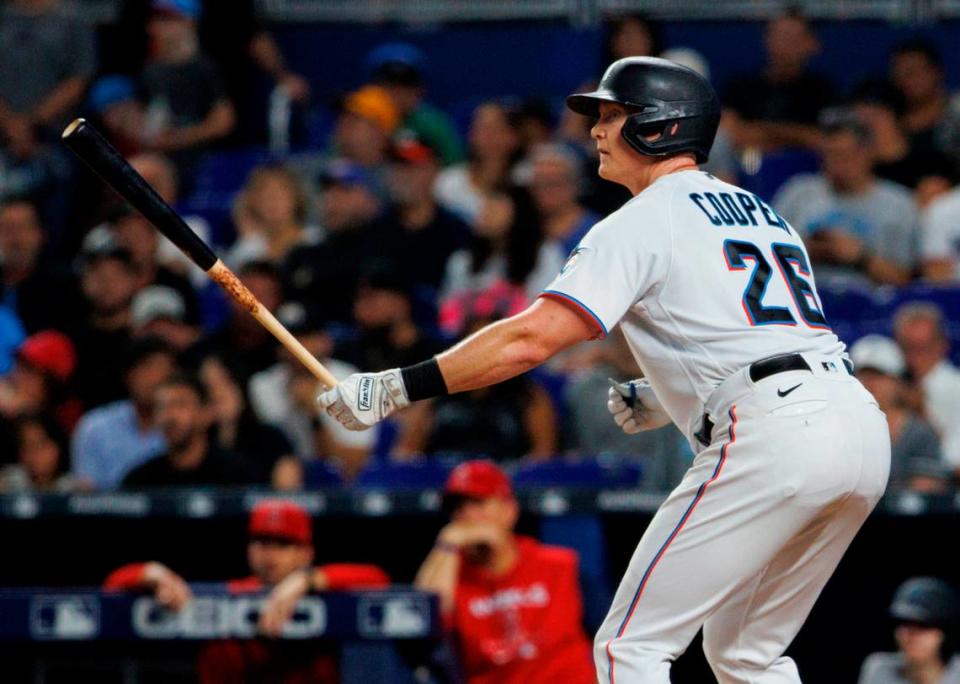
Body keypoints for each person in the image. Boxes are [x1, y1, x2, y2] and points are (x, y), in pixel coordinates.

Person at [317, 57, 891, 683]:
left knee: (629, 646)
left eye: (613, 116)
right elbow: (749, 335)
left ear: (662, 127)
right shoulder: (760, 210)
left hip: (774, 432)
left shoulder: (643, 217)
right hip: (852, 420)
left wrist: (398, 387)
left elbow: (531, 340)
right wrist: (668, 394)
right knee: (745, 656)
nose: (595, 129)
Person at [104, 498, 390, 683]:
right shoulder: (228, 594)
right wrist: (151, 573)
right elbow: (112, 587)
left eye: (283, 544)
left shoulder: (322, 589)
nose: (269, 554)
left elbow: (378, 580)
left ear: (306, 553)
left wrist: (306, 581)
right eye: (262, 542)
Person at [414, 460, 595, 683]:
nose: (468, 516)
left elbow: (615, 639)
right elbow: (421, 616)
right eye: (458, 508)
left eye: (478, 503)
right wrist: (446, 544)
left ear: (510, 510)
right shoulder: (453, 579)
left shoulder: (560, 565)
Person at [773, 109, 919, 287]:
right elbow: (765, 257)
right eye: (831, 154)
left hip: (871, 306)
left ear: (868, 153)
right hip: (803, 300)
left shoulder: (898, 204)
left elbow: (903, 280)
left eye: (846, 155)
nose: (837, 164)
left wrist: (859, 256)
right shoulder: (797, 193)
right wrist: (806, 251)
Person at [723, 8, 836, 152]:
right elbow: (729, 134)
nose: (783, 45)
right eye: (778, 36)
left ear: (812, 44)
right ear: (766, 40)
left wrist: (763, 131)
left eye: (792, 38)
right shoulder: (740, 86)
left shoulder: (823, 90)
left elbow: (826, 139)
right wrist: (795, 135)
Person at [71, 337, 175, 490]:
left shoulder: (180, 427)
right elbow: (85, 495)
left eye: (160, 369)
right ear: (128, 375)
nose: (153, 379)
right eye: (145, 368)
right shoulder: (95, 427)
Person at [849, 335, 947, 492]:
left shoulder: (920, 433)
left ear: (897, 381)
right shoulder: (842, 428)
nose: (869, 383)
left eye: (879, 376)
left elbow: (926, 490)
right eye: (863, 375)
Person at [122, 372, 248, 488]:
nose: (169, 416)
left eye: (180, 405)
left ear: (205, 414)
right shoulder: (140, 481)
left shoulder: (236, 475)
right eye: (161, 407)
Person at [365, 42, 465, 166]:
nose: (398, 92)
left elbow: (455, 169)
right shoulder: (360, 122)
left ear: (420, 89)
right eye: (390, 84)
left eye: (407, 83)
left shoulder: (435, 125)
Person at [893, 303, 960, 475]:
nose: (914, 358)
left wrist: (920, 410)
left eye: (922, 348)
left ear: (942, 345)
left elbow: (952, 461)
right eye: (907, 348)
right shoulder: (890, 383)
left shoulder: (955, 388)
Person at [859, 577, 960, 684]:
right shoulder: (880, 670)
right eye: (904, 623)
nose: (911, 635)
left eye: (922, 625)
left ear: (942, 632)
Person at [434, 101, 523, 223]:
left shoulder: (525, 181)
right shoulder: (447, 183)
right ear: (471, 136)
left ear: (513, 137)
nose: (489, 136)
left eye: (497, 128)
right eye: (482, 128)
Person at [0, 413, 73, 492]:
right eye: (26, 446)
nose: (33, 453)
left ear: (58, 446)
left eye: (40, 444)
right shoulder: (8, 483)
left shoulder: (73, 490)